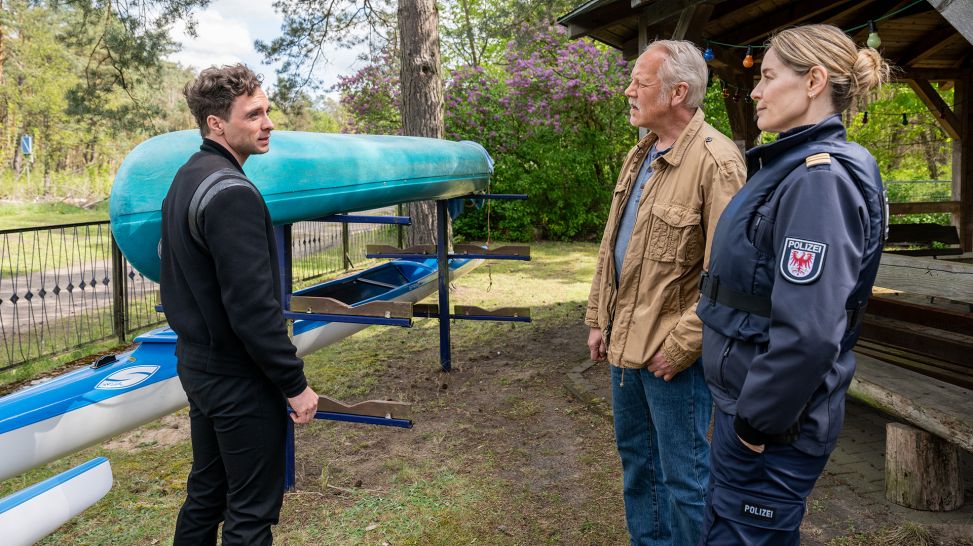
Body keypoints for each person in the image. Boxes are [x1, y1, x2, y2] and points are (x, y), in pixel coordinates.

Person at [696, 25, 889, 545]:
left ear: (814, 81)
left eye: (767, 76)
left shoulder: (818, 181)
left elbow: (810, 332)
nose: (755, 91)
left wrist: (754, 427)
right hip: (751, 409)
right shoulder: (791, 166)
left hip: (772, 429)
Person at [585, 40, 746, 546]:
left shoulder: (718, 162)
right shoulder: (640, 153)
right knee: (639, 468)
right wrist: (597, 318)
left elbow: (731, 278)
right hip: (623, 346)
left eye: (641, 82)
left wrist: (681, 345)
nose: (628, 91)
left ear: (678, 92)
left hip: (673, 358)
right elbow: (613, 246)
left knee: (686, 481)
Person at [160, 64, 319, 545]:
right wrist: (294, 384)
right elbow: (253, 309)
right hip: (238, 380)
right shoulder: (231, 193)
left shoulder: (186, 178)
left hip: (200, 368)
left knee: (206, 495)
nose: (268, 123)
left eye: (267, 111)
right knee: (250, 516)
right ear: (216, 124)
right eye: (254, 114)